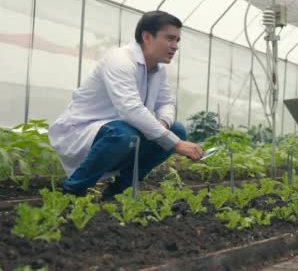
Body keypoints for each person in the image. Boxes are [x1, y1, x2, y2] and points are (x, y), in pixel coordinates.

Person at [48, 11, 203, 199]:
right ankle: (72, 191)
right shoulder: (120, 61)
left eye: (178, 40)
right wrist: (174, 143)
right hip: (85, 130)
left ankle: (117, 192)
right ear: (147, 37)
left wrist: (163, 124)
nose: (175, 46)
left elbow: (166, 102)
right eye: (170, 39)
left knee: (176, 129)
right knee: (125, 133)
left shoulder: (158, 69)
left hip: (121, 132)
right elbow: (130, 109)